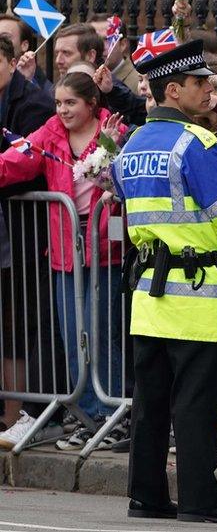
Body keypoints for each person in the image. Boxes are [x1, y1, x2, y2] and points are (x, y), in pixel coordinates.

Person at [113, 40, 217, 524]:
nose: (209, 88)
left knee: (150, 402)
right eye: (200, 83)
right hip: (198, 292)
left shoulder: (130, 145)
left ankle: (146, 496)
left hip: (148, 294)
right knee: (195, 403)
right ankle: (200, 499)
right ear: (175, 90)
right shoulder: (195, 143)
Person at [0, 71, 127, 450]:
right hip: (64, 251)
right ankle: (87, 416)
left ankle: (114, 416)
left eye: (71, 103)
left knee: (104, 334)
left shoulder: (115, 129)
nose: (63, 110)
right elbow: (13, 162)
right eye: (58, 103)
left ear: (92, 104)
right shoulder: (49, 132)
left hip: (106, 246)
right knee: (75, 337)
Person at [0, 34, 64, 450]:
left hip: (26, 232)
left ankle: (19, 414)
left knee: (19, 324)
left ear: (9, 60)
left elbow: (29, 164)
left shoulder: (33, 104)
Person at [90, 13, 140, 95]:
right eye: (93, 40)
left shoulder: (138, 82)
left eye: (106, 39)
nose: (99, 46)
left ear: (123, 44)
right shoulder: (84, 77)